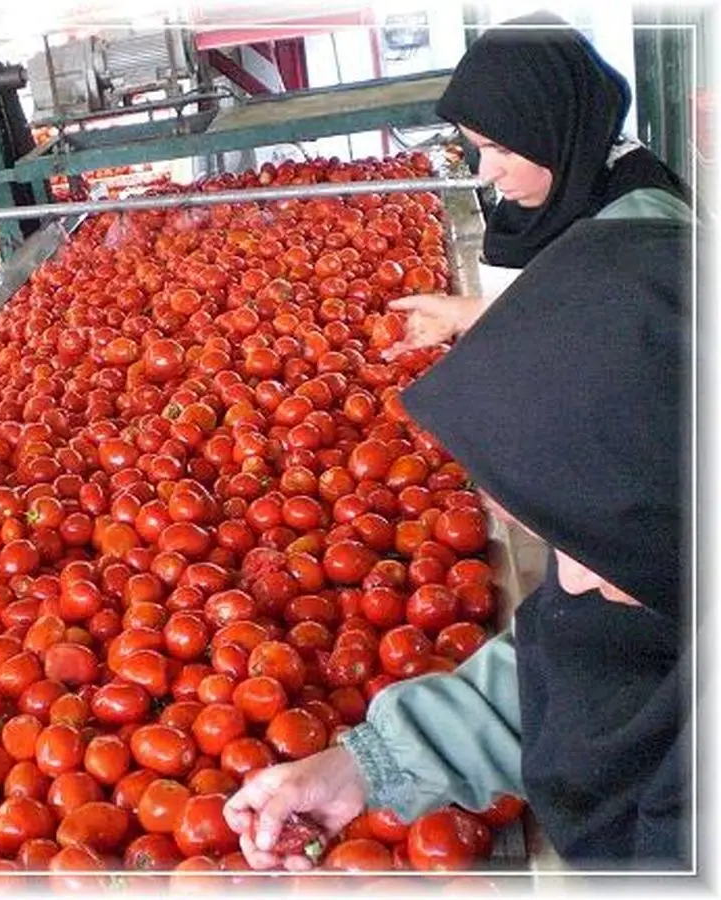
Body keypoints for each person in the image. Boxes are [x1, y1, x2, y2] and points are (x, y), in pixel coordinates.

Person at [223, 215, 690, 870]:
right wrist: (367, 764)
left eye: (573, 540)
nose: (567, 582)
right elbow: (586, 664)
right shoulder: (664, 574)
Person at [387, 10, 691, 356]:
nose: (487, 173)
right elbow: (576, 303)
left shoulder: (642, 224)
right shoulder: (563, 182)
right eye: (479, 148)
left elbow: (639, 341)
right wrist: (472, 312)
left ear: (555, 133)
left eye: (502, 149)